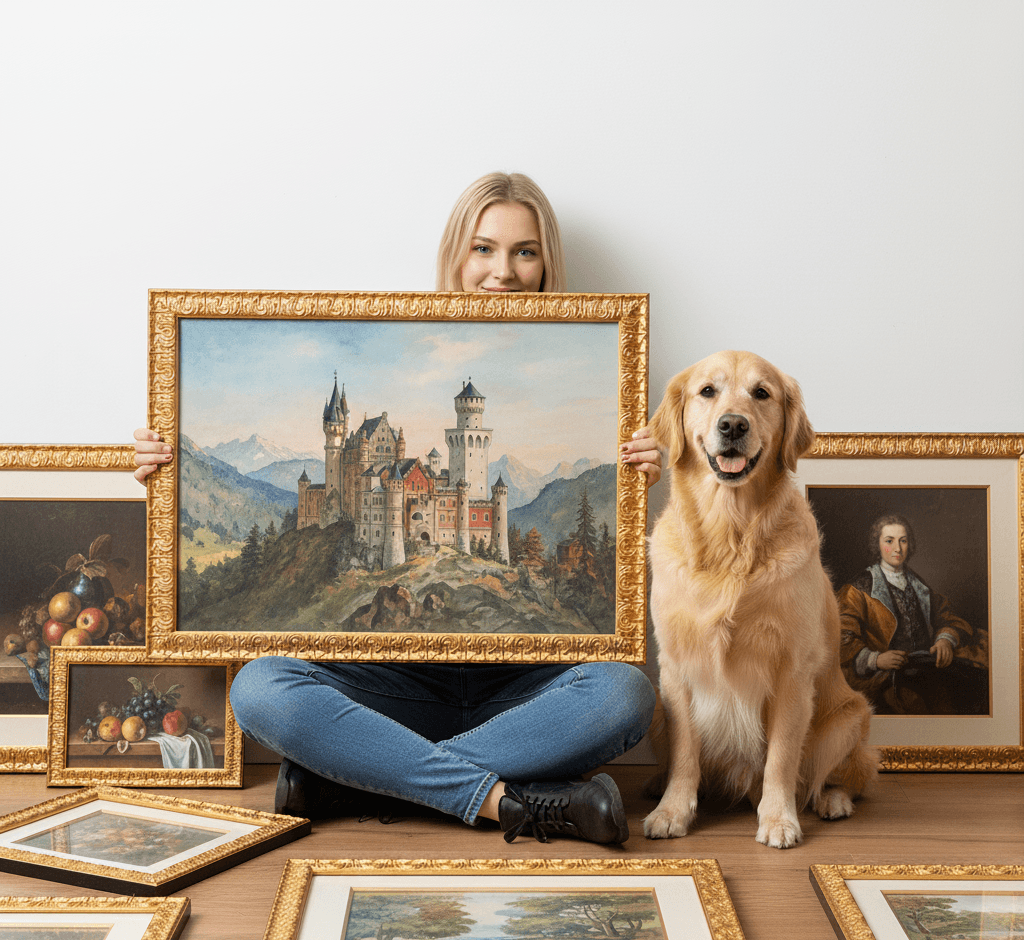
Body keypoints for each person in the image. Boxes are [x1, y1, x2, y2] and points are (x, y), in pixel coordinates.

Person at [133, 171, 661, 845]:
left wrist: (647, 474)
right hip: (391, 686)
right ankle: (517, 801)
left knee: (625, 694)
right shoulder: (383, 428)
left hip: (523, 692)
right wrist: (168, 473)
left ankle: (358, 781)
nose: (503, 270)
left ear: (547, 263)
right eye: (483, 248)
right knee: (260, 689)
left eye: (525, 251)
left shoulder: (604, 367)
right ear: (455, 257)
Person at [836, 512, 988, 715]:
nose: (898, 548)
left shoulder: (919, 585)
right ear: (877, 545)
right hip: (884, 676)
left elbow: (948, 617)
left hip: (925, 668)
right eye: (889, 541)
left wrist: (945, 640)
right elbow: (840, 636)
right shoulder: (858, 589)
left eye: (903, 540)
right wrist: (875, 659)